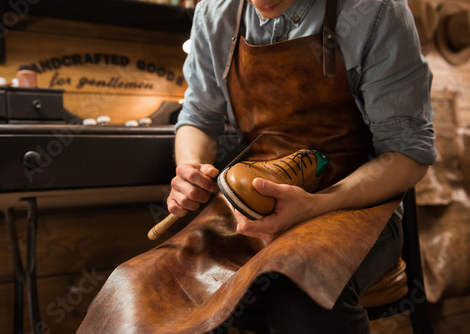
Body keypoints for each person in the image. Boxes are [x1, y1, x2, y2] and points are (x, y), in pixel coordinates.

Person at [78, 0, 437, 333]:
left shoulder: (374, 10)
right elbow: (199, 118)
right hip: (250, 203)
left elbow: (407, 155)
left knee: (297, 289)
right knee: (137, 285)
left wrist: (316, 205)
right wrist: (190, 170)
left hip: (356, 206)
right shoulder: (215, 10)